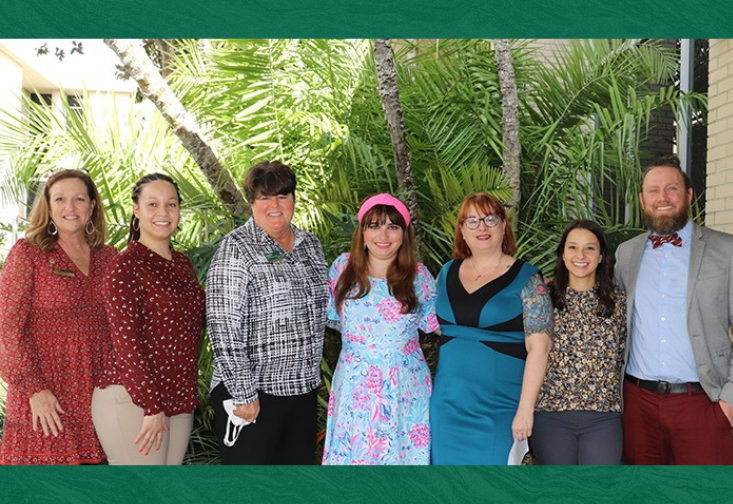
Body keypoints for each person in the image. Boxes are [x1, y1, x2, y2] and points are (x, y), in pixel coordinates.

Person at [207, 160, 328, 465]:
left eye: (283, 196)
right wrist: (244, 394)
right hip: (253, 394)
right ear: (252, 202)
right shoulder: (236, 248)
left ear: (293, 200)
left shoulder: (310, 244)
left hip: (301, 391)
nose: (275, 205)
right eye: (264, 197)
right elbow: (223, 326)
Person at [615, 155, 733, 465]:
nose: (662, 198)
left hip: (703, 404)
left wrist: (729, 400)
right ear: (642, 199)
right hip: (638, 404)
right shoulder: (626, 254)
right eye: (653, 191)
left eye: (672, 189)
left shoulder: (726, 250)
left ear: (689, 195)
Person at [0, 169, 116, 465]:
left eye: (79, 199)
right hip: (44, 398)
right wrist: (34, 390)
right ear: (48, 207)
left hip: (99, 396)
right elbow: (7, 328)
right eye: (60, 199)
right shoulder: (29, 254)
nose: (70, 207)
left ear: (92, 206)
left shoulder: (110, 258)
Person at [430, 192, 553, 465]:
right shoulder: (446, 272)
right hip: (447, 406)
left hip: (500, 408)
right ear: (461, 230)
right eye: (471, 221)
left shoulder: (528, 278)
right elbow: (427, 323)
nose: (481, 227)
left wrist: (525, 409)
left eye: (489, 219)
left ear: (503, 225)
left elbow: (540, 349)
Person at [91, 173, 205, 465]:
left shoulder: (182, 264)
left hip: (177, 398)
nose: (163, 213)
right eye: (152, 204)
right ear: (136, 209)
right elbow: (126, 343)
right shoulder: (124, 266)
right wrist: (151, 406)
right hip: (134, 399)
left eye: (171, 204)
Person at [321, 194, 439, 465]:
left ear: (404, 234)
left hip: (406, 388)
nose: (383, 234)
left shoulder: (419, 277)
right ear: (362, 232)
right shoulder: (342, 268)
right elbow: (325, 317)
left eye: (393, 227)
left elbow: (442, 325)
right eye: (374, 226)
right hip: (355, 386)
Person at [531, 220, 626, 465]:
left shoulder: (619, 302)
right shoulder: (543, 299)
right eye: (573, 248)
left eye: (590, 248)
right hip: (551, 416)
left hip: (603, 417)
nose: (580, 255)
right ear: (562, 254)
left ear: (602, 256)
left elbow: (625, 351)